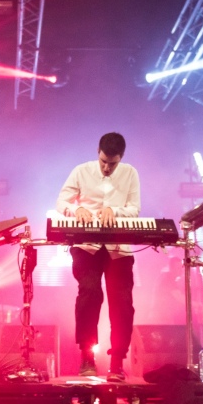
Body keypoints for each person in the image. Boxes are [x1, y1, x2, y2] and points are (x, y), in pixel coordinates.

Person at [56, 132, 140, 382]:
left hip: (118, 249)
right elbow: (62, 201)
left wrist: (113, 211)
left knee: (122, 303)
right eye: (103, 161)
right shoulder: (81, 171)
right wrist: (77, 207)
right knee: (89, 294)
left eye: (112, 163)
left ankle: (117, 362)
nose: (106, 167)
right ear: (98, 152)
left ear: (120, 158)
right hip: (87, 247)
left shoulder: (130, 174)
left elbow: (135, 209)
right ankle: (87, 357)